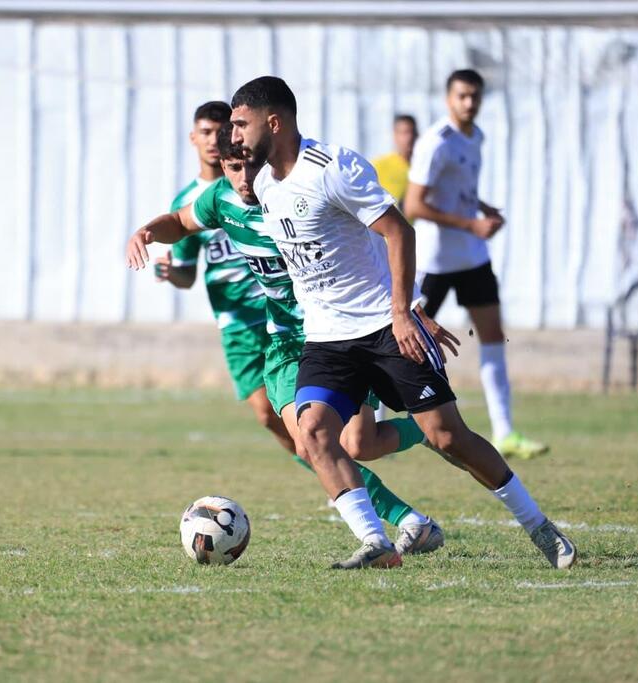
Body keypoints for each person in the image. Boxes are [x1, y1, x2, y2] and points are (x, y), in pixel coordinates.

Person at [229, 75, 575, 570]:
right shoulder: (262, 184)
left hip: (385, 329)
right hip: (327, 340)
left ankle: (539, 526)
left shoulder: (333, 168)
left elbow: (398, 232)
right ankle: (376, 543)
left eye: (241, 124)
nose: (234, 134)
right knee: (315, 434)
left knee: (448, 438)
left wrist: (407, 312)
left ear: (274, 121)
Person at [126, 123, 448, 556]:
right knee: (307, 441)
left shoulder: (296, 196)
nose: (243, 178)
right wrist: (145, 231)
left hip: (339, 334)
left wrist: (413, 309)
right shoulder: (217, 200)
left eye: (249, 165)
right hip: (280, 340)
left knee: (359, 444)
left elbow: (376, 245)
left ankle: (425, 434)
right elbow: (181, 224)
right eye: (233, 167)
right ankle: (389, 533)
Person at [404, 70, 548, 460]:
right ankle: (379, 423)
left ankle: (504, 431)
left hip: (472, 258)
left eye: (475, 97)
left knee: (492, 336)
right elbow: (414, 206)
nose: (469, 103)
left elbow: (457, 192)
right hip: (434, 260)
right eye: (463, 96)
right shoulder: (436, 142)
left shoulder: (476, 136)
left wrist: (480, 208)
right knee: (402, 338)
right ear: (449, 98)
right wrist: (470, 222)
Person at [154, 101, 295, 455]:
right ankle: (340, 479)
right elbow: (187, 275)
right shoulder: (191, 202)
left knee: (317, 417)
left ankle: (348, 481)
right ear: (193, 138)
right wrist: (172, 273)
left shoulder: (263, 184)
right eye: (205, 132)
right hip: (237, 326)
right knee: (267, 414)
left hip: (284, 313)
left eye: (222, 131)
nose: (214, 140)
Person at [371, 115, 417, 204]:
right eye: (404, 133)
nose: (409, 138)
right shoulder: (379, 165)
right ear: (395, 135)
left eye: (412, 132)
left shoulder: (423, 166)